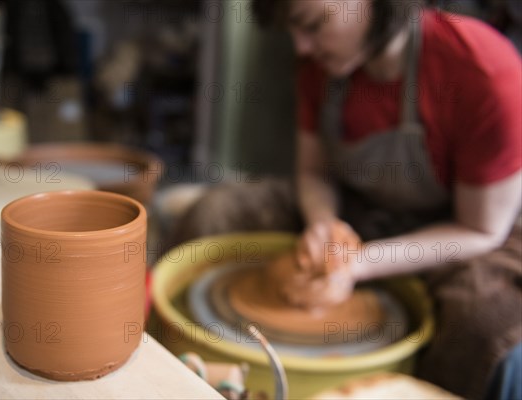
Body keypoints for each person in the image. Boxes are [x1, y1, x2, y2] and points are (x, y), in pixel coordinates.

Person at [168, 1, 521, 398]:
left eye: (314, 25)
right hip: (359, 202)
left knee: (484, 326)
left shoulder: (483, 71)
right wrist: (324, 224)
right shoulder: (321, 62)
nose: (301, 47)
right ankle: (195, 368)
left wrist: (357, 264)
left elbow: (481, 228)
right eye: (293, 31)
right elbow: (315, 173)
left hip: (462, 230)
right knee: (213, 214)